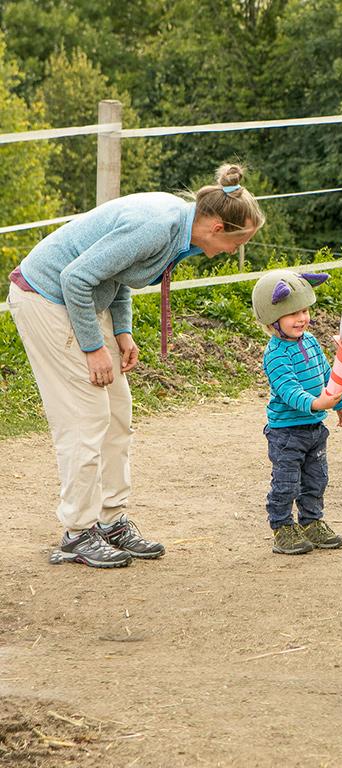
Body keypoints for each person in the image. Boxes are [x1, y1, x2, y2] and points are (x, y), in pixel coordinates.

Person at [7, 163, 265, 566]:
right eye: (238, 243)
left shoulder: (178, 227)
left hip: (85, 302)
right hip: (49, 298)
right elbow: (76, 277)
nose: (233, 251)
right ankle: (77, 531)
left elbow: (115, 276)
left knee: (117, 412)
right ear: (217, 228)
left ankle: (110, 520)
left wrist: (122, 332)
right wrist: (93, 348)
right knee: (86, 416)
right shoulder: (157, 226)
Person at [252, 270, 342, 555]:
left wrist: (340, 402)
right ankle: (282, 527)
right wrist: (318, 404)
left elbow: (325, 376)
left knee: (317, 479)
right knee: (286, 483)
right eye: (293, 313)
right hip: (287, 433)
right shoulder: (276, 354)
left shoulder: (310, 342)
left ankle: (311, 522)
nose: (302, 318)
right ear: (273, 319)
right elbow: (290, 391)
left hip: (315, 430)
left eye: (305, 310)